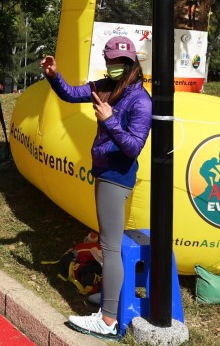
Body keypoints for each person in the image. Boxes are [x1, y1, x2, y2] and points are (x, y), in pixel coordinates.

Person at [39, 36, 152, 339]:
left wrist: (111, 120)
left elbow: (133, 147)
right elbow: (71, 93)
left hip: (118, 176)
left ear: (131, 64)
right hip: (104, 174)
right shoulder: (105, 87)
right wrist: (53, 76)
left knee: (111, 247)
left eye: (119, 62)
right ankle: (108, 302)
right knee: (107, 243)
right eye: (109, 60)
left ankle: (107, 320)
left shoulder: (141, 100)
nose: (112, 66)